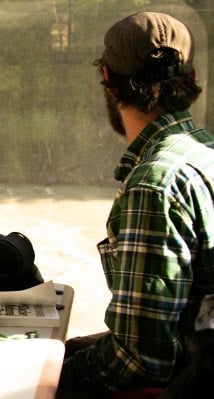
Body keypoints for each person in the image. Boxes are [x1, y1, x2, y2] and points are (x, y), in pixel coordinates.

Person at [58, 11, 214, 396]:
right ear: (192, 79)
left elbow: (140, 360)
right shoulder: (205, 154)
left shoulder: (154, 184)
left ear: (108, 82)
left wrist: (36, 377)